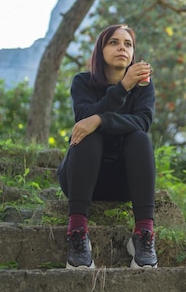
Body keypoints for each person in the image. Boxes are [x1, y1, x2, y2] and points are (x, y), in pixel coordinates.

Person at [57, 24, 158, 270]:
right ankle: (78, 233)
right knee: (89, 135)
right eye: (113, 42)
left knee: (139, 138)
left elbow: (142, 122)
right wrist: (123, 87)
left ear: (133, 53)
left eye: (128, 44)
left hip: (126, 184)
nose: (121, 47)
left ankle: (144, 235)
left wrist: (101, 119)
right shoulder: (83, 82)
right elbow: (83, 117)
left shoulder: (144, 86)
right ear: (100, 50)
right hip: (82, 178)